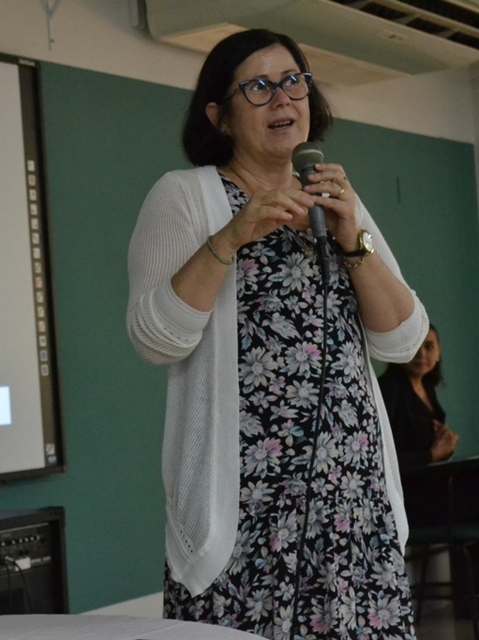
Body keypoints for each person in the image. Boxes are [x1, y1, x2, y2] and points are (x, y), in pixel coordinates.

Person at [126, 29, 430, 639]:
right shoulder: (185, 197)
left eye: (294, 81)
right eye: (259, 87)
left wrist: (354, 241)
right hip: (245, 511)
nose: (283, 100)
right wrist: (232, 237)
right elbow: (155, 338)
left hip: (352, 502)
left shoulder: (337, 197)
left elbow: (404, 341)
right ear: (219, 115)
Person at [378, 325, 457, 469]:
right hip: (405, 486)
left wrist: (445, 441)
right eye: (413, 346)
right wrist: (432, 455)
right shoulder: (388, 387)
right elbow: (379, 456)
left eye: (429, 346)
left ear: (439, 352)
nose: (421, 354)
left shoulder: (428, 386)